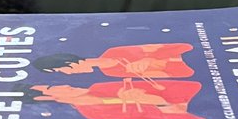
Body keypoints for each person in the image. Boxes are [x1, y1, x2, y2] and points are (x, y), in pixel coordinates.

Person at [27, 78, 212, 119]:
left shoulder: (99, 86)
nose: (65, 85)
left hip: (203, 99)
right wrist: (158, 102)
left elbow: (188, 85)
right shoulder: (92, 114)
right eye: (54, 88)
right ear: (52, 99)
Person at [33, 42, 194, 79]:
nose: (67, 74)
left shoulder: (114, 51)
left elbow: (180, 46)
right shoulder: (111, 73)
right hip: (186, 68)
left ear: (65, 61)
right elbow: (177, 74)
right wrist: (155, 66)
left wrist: (150, 59)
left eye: (61, 70)